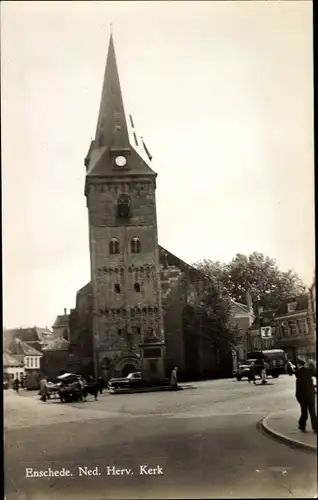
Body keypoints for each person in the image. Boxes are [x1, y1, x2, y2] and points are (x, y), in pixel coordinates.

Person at [295, 359, 317, 433]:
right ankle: (315, 428)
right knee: (313, 412)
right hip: (310, 395)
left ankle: (302, 426)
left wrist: (298, 398)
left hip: (302, 396)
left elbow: (298, 389)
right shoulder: (309, 371)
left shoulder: (298, 375)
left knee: (304, 413)